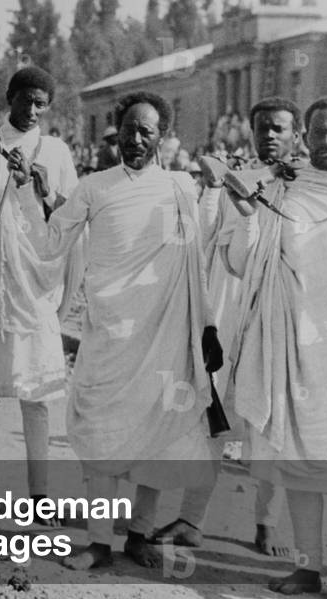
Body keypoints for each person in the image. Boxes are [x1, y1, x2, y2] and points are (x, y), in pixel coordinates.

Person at [15, 92, 220, 570]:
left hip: (165, 333)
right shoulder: (94, 187)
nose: (135, 139)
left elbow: (202, 250)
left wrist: (212, 189)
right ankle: (100, 543)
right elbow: (49, 241)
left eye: (147, 131)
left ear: (163, 138)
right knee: (101, 432)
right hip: (109, 334)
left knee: (159, 433)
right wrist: (30, 192)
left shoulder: (180, 189)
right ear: (116, 131)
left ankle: (141, 534)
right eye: (128, 129)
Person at [155, 98, 301, 555]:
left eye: (278, 128)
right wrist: (222, 193)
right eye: (262, 128)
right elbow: (223, 254)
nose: (269, 136)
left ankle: (267, 524)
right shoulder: (242, 180)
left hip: (277, 319)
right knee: (212, 421)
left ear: (296, 135)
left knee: (269, 426)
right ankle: (191, 519)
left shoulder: (307, 188)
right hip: (229, 309)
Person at [225, 97, 327, 599]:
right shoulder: (281, 188)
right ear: (304, 139)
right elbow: (241, 262)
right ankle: (309, 568)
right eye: (320, 133)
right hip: (291, 346)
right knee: (298, 462)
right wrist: (247, 214)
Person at [0, 67, 80, 522]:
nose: (32, 111)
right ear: (10, 97)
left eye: (41, 105)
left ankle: (40, 495)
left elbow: (70, 217)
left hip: (37, 281)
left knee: (37, 396)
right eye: (26, 100)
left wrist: (44, 188)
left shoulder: (56, 150)